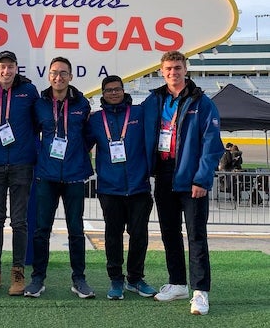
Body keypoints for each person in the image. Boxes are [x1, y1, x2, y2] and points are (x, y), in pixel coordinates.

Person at [142, 50, 224, 315]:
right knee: (169, 233)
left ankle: (200, 291)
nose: (173, 72)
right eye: (168, 68)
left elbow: (212, 146)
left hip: (191, 179)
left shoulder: (203, 102)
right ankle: (177, 283)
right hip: (164, 175)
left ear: (185, 69)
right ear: (161, 71)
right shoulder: (155, 100)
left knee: (196, 235)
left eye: (177, 68)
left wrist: (202, 179)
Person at [24, 57, 95, 299]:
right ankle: (37, 278)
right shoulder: (40, 103)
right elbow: (31, 131)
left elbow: (88, 135)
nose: (58, 77)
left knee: (75, 230)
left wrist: (77, 155)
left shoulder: (82, 103)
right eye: (54, 73)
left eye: (63, 73)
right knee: (41, 230)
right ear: (49, 76)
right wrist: (41, 157)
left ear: (71, 76)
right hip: (47, 174)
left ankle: (79, 279)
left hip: (74, 175)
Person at [86, 75, 156, 300]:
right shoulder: (96, 120)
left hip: (139, 188)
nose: (113, 93)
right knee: (113, 235)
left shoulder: (138, 114)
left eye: (117, 89)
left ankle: (135, 279)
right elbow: (82, 146)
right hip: (109, 188)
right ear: (103, 94)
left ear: (124, 91)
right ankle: (116, 279)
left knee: (139, 235)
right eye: (109, 90)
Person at [0, 51, 39, 296]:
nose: (6, 71)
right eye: (2, 67)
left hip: (22, 163)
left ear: (16, 68)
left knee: (20, 221)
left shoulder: (30, 91)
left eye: (10, 66)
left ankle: (18, 272)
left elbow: (37, 123)